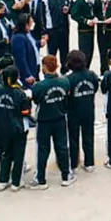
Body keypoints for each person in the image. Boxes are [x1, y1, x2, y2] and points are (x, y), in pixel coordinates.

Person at [28, 55, 74, 190]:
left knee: (42, 149)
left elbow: (35, 100)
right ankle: (66, 176)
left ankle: (41, 179)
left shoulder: (39, 86)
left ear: (44, 67)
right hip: (60, 118)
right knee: (62, 147)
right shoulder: (65, 82)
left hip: (44, 121)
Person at [0, 66, 30, 192]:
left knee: (5, 154)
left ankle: (3, 180)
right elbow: (25, 111)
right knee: (18, 155)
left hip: (2, 127)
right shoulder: (19, 93)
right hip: (17, 128)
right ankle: (16, 182)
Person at [65, 50, 98, 173]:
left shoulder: (69, 79)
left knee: (73, 137)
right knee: (88, 135)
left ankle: (74, 164)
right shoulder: (92, 75)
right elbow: (95, 88)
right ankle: (89, 162)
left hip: (74, 111)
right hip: (89, 110)